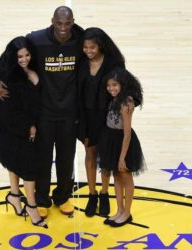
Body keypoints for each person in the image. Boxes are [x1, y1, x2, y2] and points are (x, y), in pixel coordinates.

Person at [25, 6, 83, 218]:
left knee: (66, 158)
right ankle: (42, 199)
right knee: (42, 158)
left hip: (69, 112)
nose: (63, 29)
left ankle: (63, 197)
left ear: (73, 22)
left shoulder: (82, 38)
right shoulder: (36, 39)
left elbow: (105, 54)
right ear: (52, 21)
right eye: (59, 23)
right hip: (44, 112)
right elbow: (16, 54)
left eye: (67, 24)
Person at [0, 36, 47, 228]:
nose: (24, 59)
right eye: (19, 56)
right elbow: (9, 110)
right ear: (12, 57)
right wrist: (28, 126)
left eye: (27, 55)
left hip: (30, 124)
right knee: (28, 169)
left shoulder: (33, 68)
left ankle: (15, 195)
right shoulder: (6, 79)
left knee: (16, 163)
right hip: (15, 128)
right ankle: (32, 206)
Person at [77, 27, 125, 217]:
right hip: (85, 116)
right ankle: (92, 194)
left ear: (101, 46)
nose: (88, 51)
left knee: (105, 158)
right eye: (85, 47)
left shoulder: (114, 63)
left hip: (107, 118)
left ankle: (105, 194)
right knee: (90, 154)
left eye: (92, 47)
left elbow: (125, 88)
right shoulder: (81, 62)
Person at [98, 67, 146, 227]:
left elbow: (127, 134)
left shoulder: (126, 103)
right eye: (109, 86)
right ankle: (119, 209)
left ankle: (127, 212)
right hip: (110, 139)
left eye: (115, 85)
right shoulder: (115, 98)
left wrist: (122, 158)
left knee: (125, 176)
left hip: (123, 143)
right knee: (116, 176)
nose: (111, 89)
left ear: (122, 85)